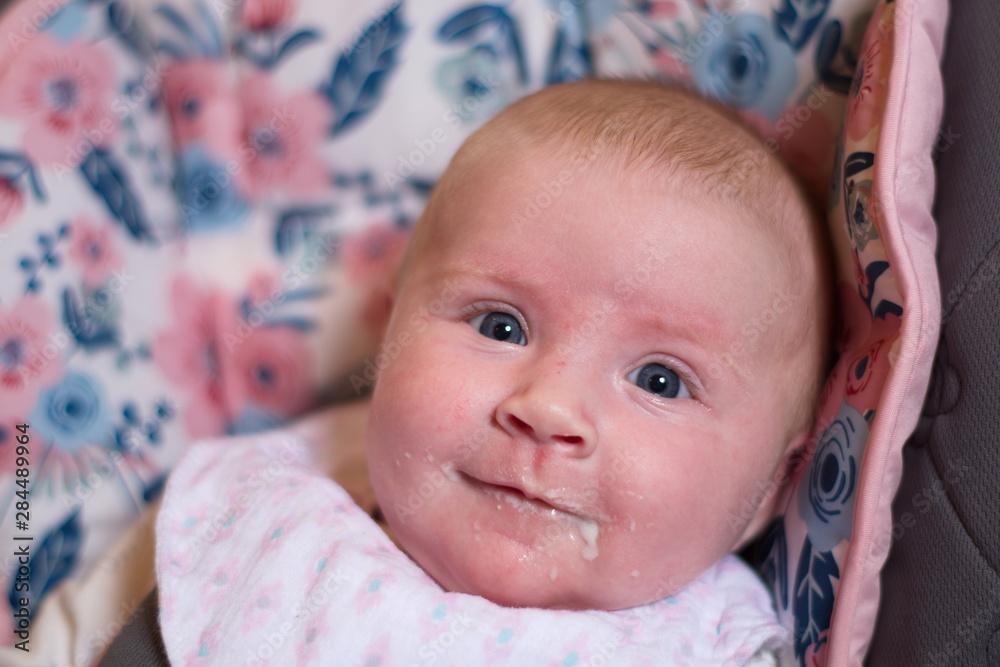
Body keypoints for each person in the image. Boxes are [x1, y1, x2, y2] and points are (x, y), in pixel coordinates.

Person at [155, 78, 834, 664]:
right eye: (498, 326)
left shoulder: (708, 647)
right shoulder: (277, 521)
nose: (548, 407)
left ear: (774, 483)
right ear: (391, 332)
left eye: (660, 380)